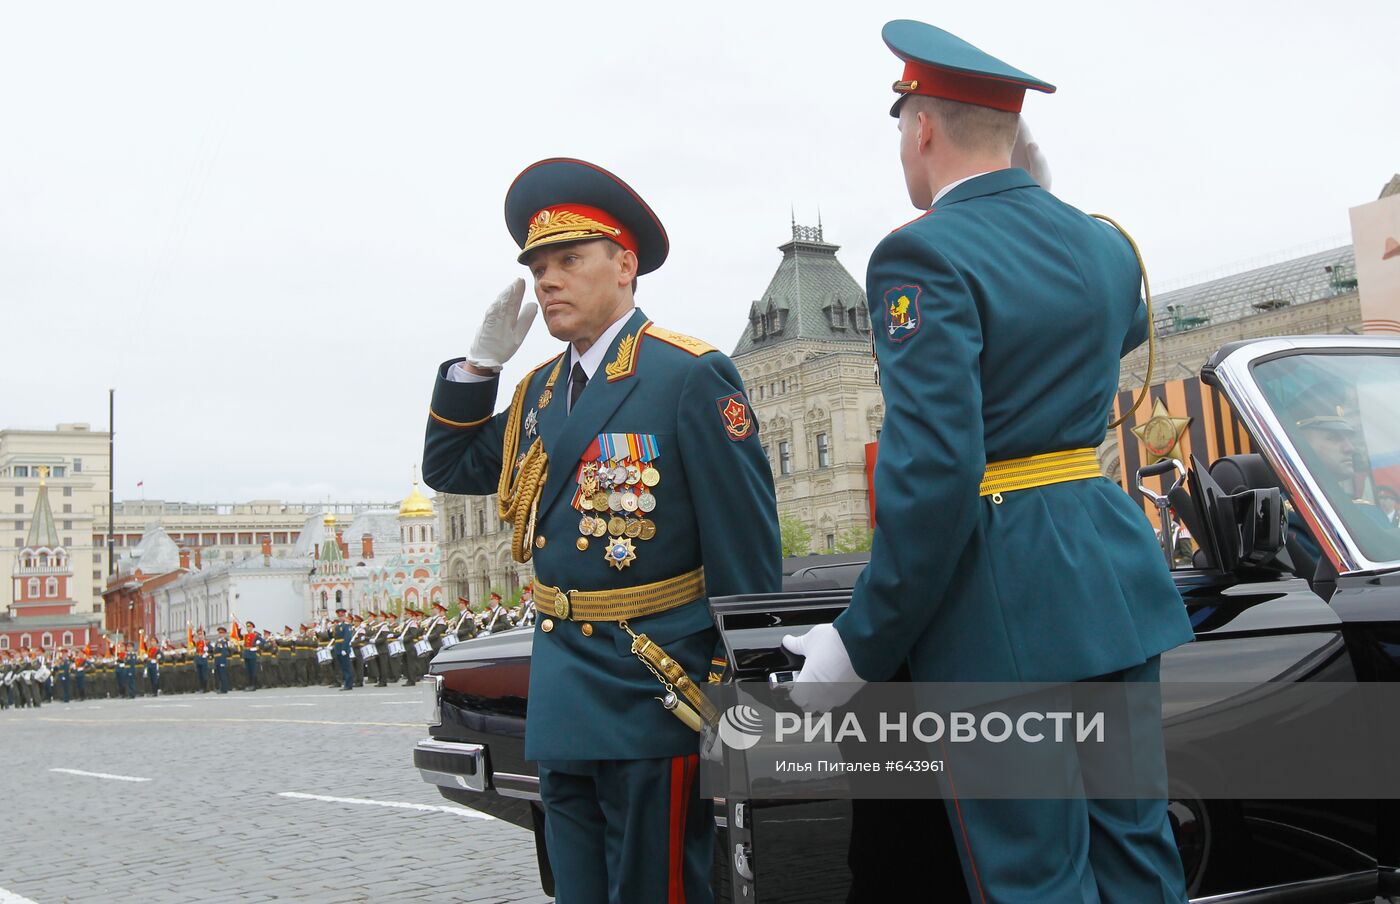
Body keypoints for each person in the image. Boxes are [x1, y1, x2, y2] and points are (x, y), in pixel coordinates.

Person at [781, 21, 1193, 903]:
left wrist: (856, 647)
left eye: (901, 127)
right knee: (1138, 852)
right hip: (1112, 583)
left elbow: (934, 480)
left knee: (1032, 874)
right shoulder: (1107, 245)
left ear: (923, 127)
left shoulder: (921, 251)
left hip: (1002, 608)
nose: (902, 145)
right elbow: (1114, 333)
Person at [421, 157, 780, 903]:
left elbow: (745, 552)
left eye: (568, 260)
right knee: (578, 890)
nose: (548, 279)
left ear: (624, 265)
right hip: (566, 690)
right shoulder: (538, 393)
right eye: (539, 265)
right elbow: (449, 465)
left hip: (656, 687)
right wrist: (480, 364)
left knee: (655, 889)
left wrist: (724, 691)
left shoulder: (687, 374)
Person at [332, 607, 355, 691]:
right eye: (339, 616)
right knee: (342, 667)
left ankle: (349, 684)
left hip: (343, 648)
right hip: (338, 647)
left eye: (342, 616)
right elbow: (333, 637)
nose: (340, 618)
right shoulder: (337, 626)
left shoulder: (346, 625)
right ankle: (346, 683)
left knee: (347, 667)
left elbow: (347, 637)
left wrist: (344, 649)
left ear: (344, 616)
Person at [212, 626, 232, 694]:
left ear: (224, 634)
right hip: (217, 660)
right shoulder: (218, 641)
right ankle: (220, 688)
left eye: (221, 633)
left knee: (223, 675)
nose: (220, 634)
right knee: (219, 675)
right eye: (219, 633)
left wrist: (222, 661)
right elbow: (215, 651)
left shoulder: (224, 641)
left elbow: (224, 652)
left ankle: (224, 689)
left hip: (221, 660)